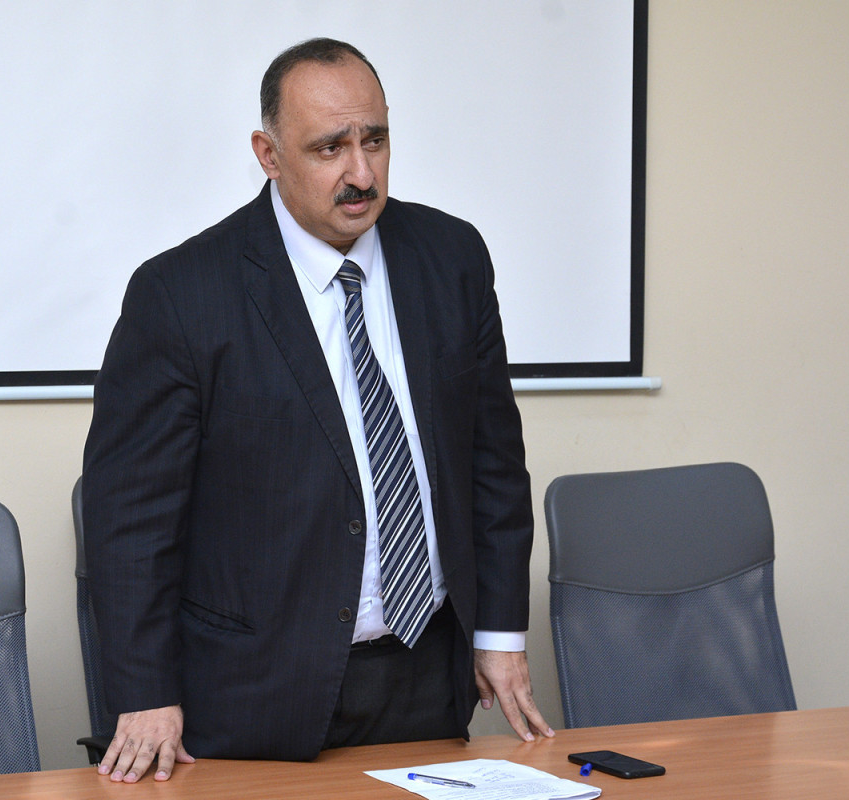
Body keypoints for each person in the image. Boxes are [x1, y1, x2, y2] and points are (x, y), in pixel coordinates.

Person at [81, 37, 553, 785]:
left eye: (375, 140)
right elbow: (130, 519)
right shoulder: (181, 294)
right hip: (253, 692)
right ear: (268, 155)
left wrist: (499, 634)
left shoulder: (452, 258)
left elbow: (492, 461)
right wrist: (144, 694)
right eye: (330, 148)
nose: (361, 174)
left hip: (426, 672)